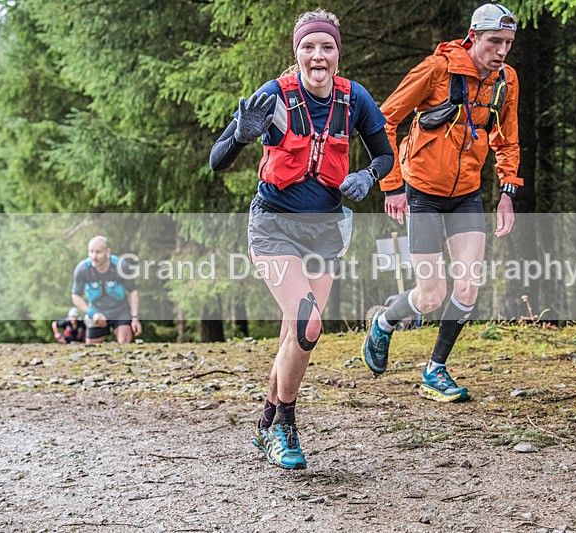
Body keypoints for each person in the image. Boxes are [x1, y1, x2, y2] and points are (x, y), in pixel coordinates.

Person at [210, 9, 393, 469]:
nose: (318, 55)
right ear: (296, 53)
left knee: (296, 331)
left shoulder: (354, 99)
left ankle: (267, 421)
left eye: (326, 47)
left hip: (325, 231)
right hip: (273, 226)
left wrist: (368, 177)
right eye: (308, 47)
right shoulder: (274, 96)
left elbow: (386, 155)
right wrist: (240, 138)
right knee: (309, 324)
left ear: (337, 53)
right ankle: (287, 427)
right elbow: (217, 160)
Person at [363, 3, 521, 402]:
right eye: (493, 41)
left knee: (469, 284)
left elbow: (507, 139)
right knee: (431, 294)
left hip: (466, 193)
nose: (501, 51)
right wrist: (392, 185)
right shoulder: (436, 70)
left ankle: (435, 370)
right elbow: (383, 121)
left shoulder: (506, 81)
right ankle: (384, 321)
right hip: (422, 194)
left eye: (507, 43)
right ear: (474, 37)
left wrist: (508, 191)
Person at [71, 236, 142, 345]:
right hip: (96, 310)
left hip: (120, 310)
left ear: (107, 252)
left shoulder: (121, 266)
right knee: (91, 348)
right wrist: (92, 313)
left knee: (125, 343)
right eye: (91, 252)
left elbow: (133, 292)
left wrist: (135, 317)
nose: (94, 256)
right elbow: (75, 296)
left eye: (98, 252)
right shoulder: (82, 269)